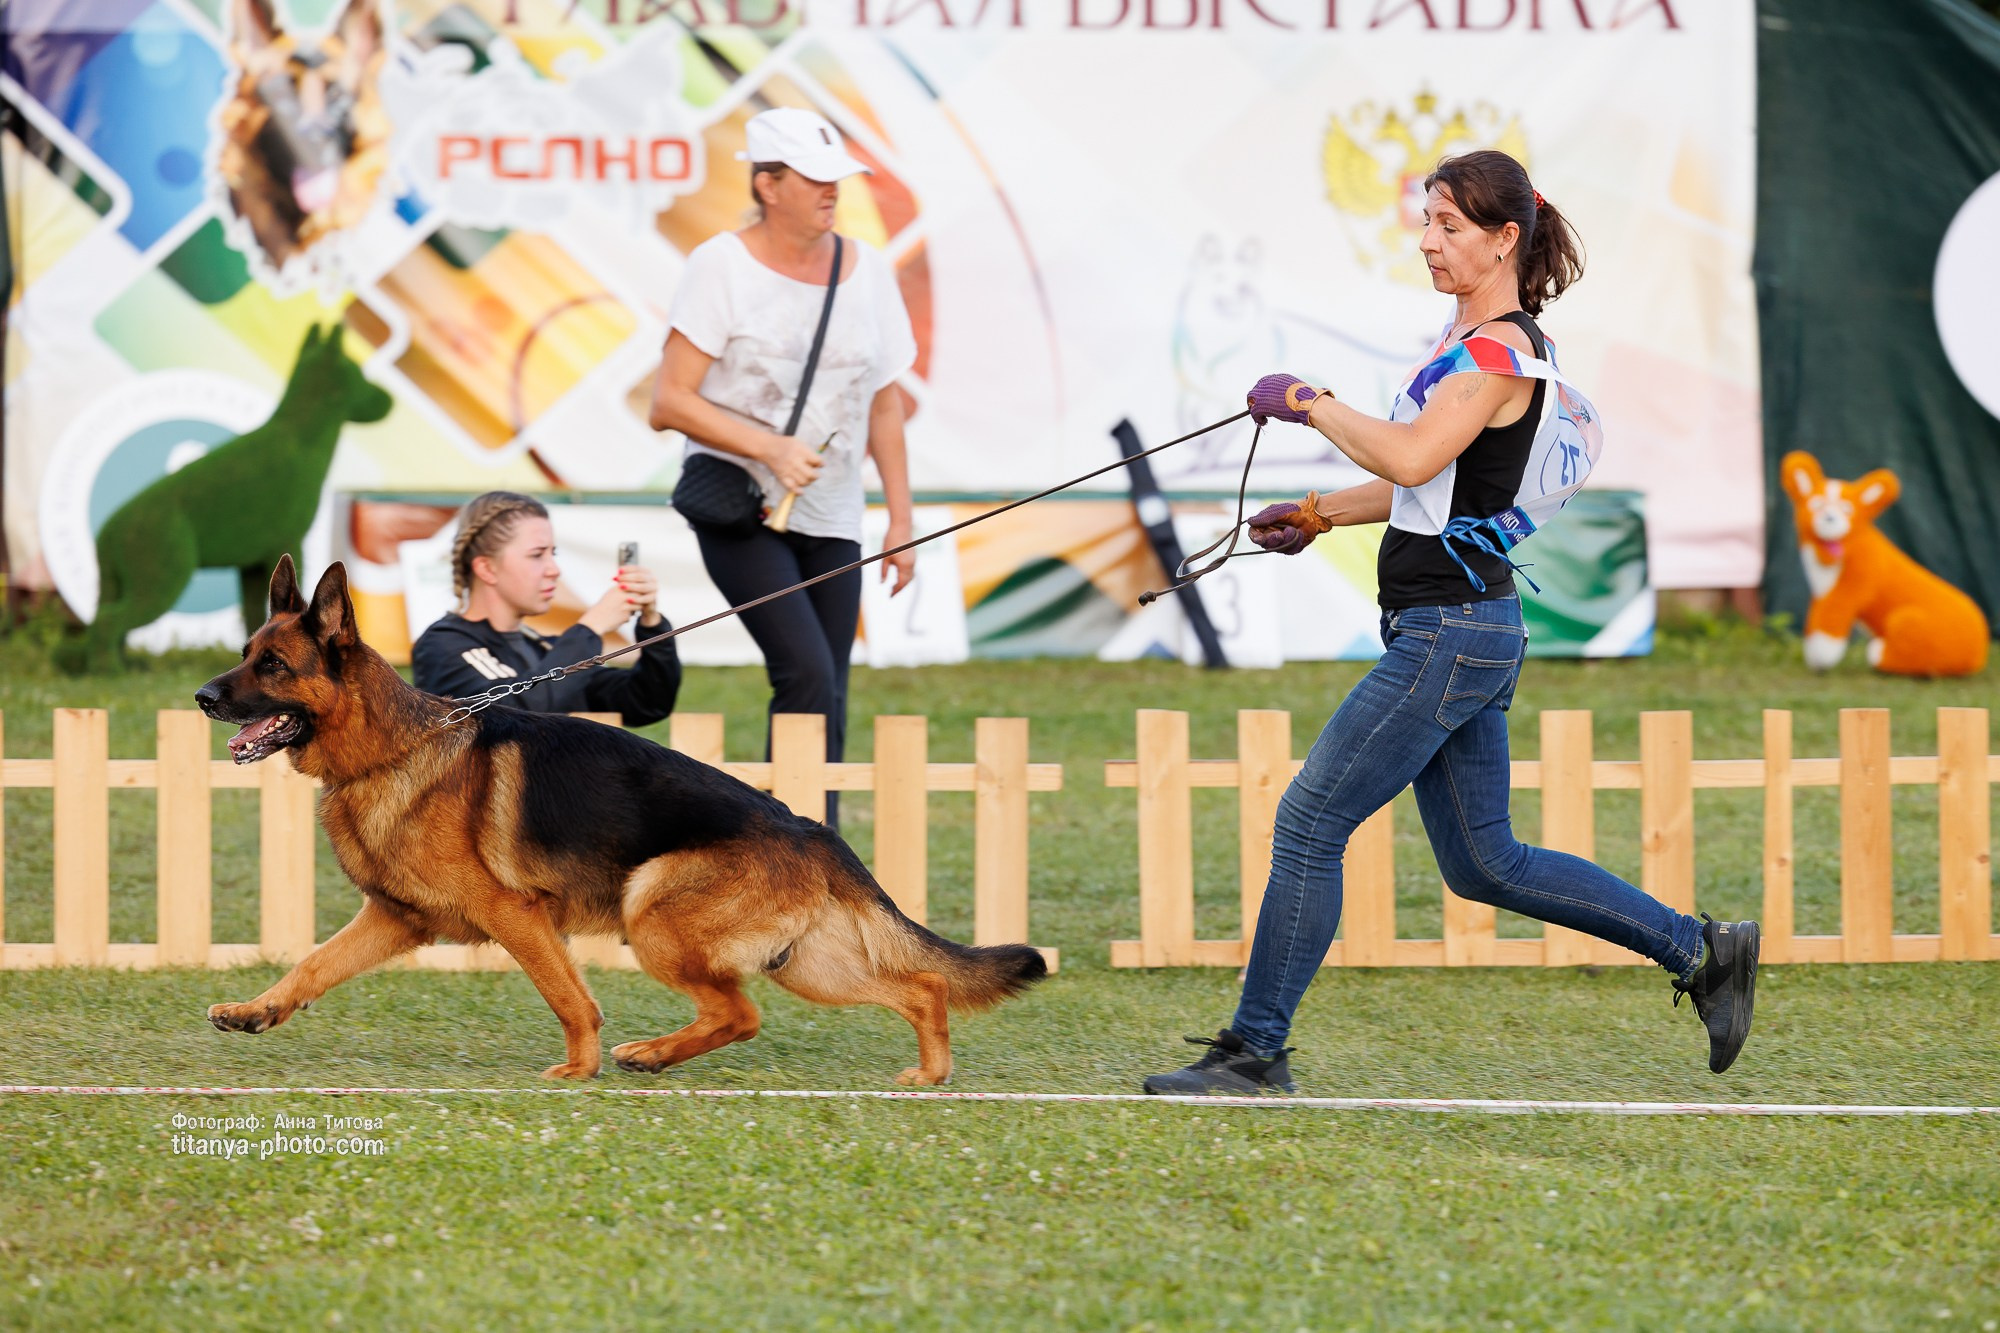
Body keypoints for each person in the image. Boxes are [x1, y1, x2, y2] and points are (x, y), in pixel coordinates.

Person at [1143, 150, 1759, 1097]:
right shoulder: (1470, 346)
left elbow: (1414, 448)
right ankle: (1700, 949)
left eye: (1449, 227)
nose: (1428, 242)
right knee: (1485, 862)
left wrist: (1310, 402)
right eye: (1426, 222)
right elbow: (1421, 483)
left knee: (1310, 819)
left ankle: (1253, 1052)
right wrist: (1316, 513)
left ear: (1505, 238)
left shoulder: (1495, 357)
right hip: (1462, 628)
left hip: (1450, 634)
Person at [648, 106, 916, 825]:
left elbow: (884, 405)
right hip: (739, 504)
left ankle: (808, 845)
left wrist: (899, 518)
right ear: (767, 184)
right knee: (804, 670)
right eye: (816, 177)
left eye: (840, 178)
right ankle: (793, 853)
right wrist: (768, 447)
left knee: (830, 689)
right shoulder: (720, 265)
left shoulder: (869, 272)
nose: (834, 190)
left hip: (832, 509)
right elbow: (667, 401)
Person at [411, 491, 682, 726]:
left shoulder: (545, 649)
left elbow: (646, 702)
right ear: (487, 568)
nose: (554, 570)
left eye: (554, 554)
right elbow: (515, 717)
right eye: (537, 555)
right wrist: (591, 628)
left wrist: (650, 622)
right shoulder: (444, 644)